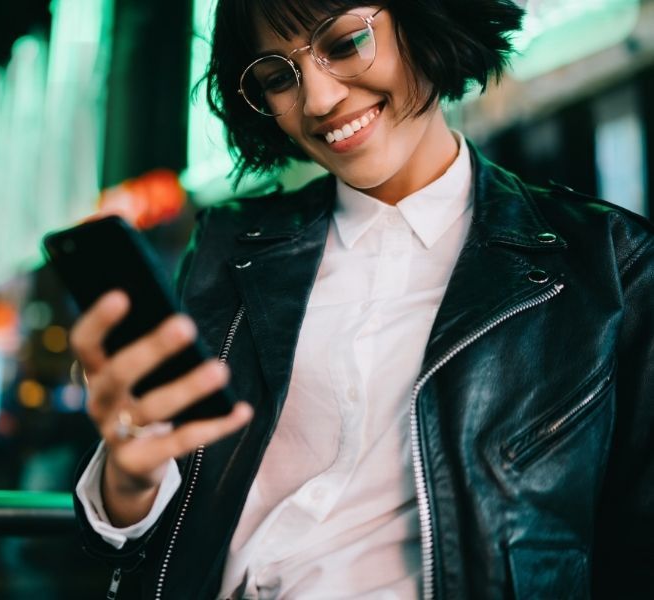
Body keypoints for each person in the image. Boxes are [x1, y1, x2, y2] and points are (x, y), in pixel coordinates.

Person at [69, 0, 654, 598]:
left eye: (346, 43)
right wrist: (130, 473)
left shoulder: (608, 264)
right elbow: (147, 532)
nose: (319, 101)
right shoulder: (228, 248)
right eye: (277, 78)